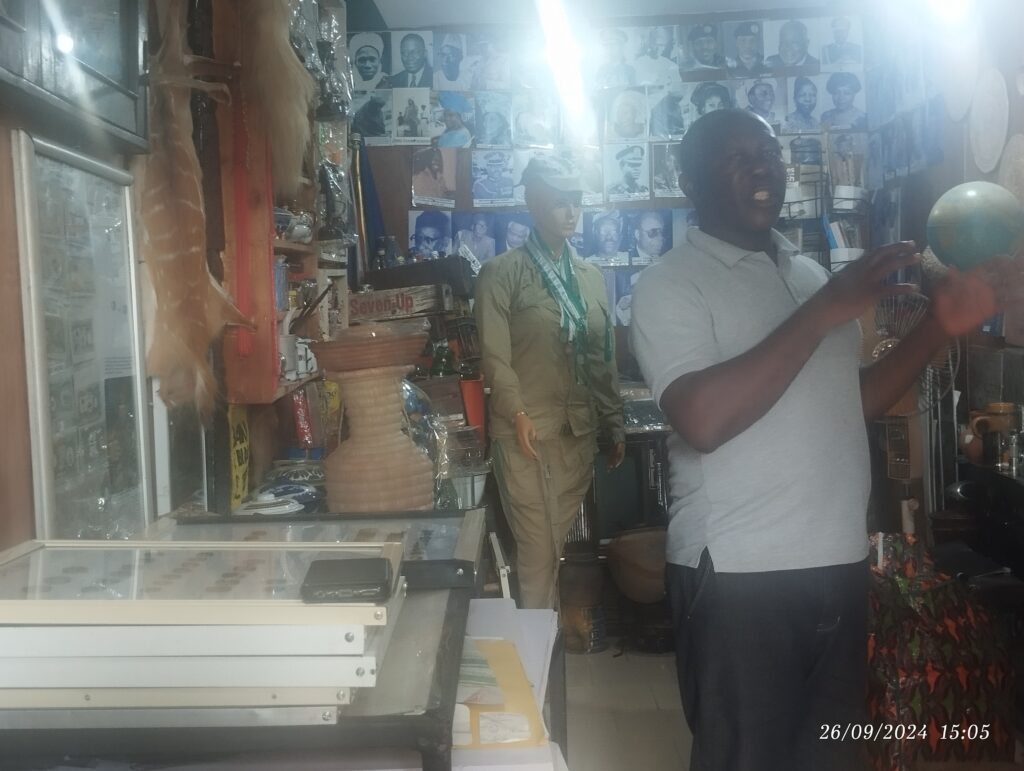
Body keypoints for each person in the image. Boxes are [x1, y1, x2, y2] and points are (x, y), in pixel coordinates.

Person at [630, 107, 1022, 771]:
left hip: (836, 567)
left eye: (770, 151)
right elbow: (702, 418)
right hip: (737, 577)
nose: (762, 166)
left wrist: (938, 327)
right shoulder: (669, 285)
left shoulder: (805, 274)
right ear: (691, 182)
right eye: (738, 156)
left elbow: (851, 402)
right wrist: (823, 312)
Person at [475, 156, 625, 609]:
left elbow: (603, 358)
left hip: (576, 435)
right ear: (533, 205)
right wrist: (516, 411)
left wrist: (613, 420)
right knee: (538, 549)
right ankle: (535, 650)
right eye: (559, 202)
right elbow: (495, 359)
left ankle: (541, 634)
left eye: (575, 202)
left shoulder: (593, 280)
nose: (570, 212)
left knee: (548, 547)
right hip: (526, 434)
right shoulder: (501, 274)